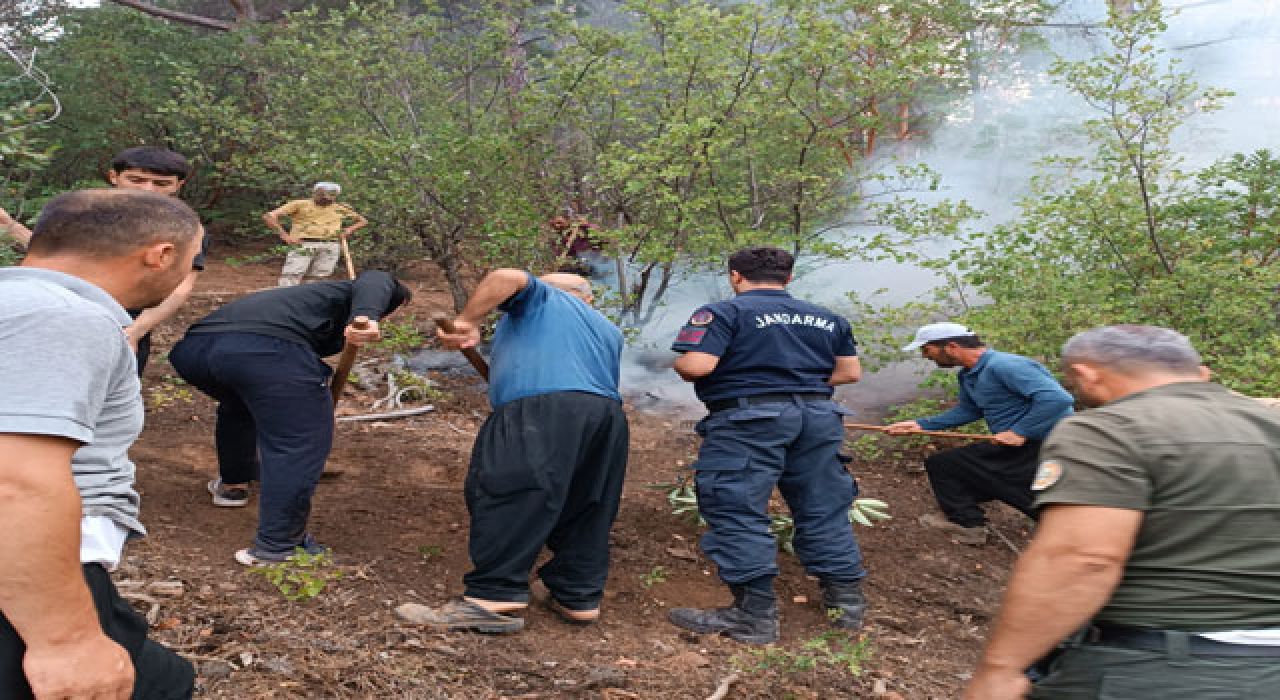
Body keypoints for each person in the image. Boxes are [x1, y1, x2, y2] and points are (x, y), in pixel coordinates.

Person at [964, 325, 1280, 700]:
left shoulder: (1109, 430)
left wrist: (1000, 670)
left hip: (1160, 669)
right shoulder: (1269, 423)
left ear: (1086, 373)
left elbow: (1083, 559)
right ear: (1201, 372)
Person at [0, 188, 203, 698]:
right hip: (23, 586)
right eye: (192, 260)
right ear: (161, 255)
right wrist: (65, 640)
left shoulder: (17, 303)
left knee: (164, 678)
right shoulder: (62, 318)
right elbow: (13, 479)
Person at [397, 269, 627, 633]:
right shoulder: (607, 329)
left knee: (510, 488)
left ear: (576, 294)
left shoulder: (548, 299)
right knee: (586, 503)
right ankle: (576, 593)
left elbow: (507, 276)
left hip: (541, 409)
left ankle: (492, 596)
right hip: (605, 417)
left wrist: (467, 321)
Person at [664, 247, 867, 645]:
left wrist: (678, 363)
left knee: (736, 506)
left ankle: (753, 616)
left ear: (735, 276)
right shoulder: (828, 318)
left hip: (750, 421)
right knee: (823, 506)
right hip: (819, 418)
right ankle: (847, 607)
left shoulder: (723, 313)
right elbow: (849, 373)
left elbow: (696, 366)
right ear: (788, 279)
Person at [168, 270, 411, 565]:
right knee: (298, 441)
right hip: (261, 351)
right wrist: (368, 315)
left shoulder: (305, 302)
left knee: (240, 407)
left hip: (196, 352)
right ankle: (278, 546)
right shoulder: (364, 293)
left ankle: (234, 484)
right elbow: (378, 278)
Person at [4, 146, 205, 376]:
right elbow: (60, 256)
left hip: (124, 321)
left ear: (178, 185)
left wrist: (134, 331)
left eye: (161, 183)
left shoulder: (184, 228)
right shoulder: (86, 211)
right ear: (114, 177)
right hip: (57, 314)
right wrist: (11, 227)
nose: (147, 189)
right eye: (136, 180)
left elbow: (181, 287)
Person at [886, 323, 1074, 546]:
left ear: (952, 346)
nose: (925, 356)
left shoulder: (1005, 366)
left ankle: (1071, 540)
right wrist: (921, 424)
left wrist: (1020, 431)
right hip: (1015, 445)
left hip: (1046, 443)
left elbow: (1058, 400)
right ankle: (969, 524)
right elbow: (970, 409)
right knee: (944, 465)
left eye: (927, 349)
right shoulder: (968, 376)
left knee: (1026, 493)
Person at [264, 182, 367, 286]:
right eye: (322, 195)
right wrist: (284, 235)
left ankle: (311, 299)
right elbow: (269, 216)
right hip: (303, 243)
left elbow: (363, 221)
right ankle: (285, 297)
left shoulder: (340, 208)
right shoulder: (299, 204)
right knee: (292, 274)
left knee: (320, 277)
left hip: (330, 245)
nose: (326, 198)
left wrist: (349, 229)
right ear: (315, 193)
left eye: (330, 196)